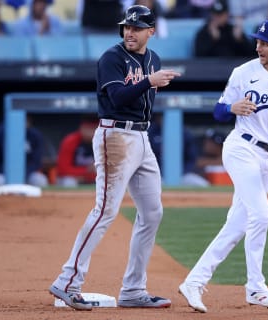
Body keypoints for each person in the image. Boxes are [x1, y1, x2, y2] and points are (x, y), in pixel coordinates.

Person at [178, 20, 268, 313]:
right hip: (241, 147)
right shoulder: (243, 73)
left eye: (265, 43)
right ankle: (255, 288)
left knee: (238, 224)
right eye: (257, 42)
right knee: (261, 214)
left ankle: (194, 280)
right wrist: (231, 108)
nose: (259, 47)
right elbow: (217, 112)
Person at [48, 4, 181, 311]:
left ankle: (134, 290)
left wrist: (151, 79)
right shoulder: (112, 57)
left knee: (152, 213)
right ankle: (67, 282)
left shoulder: (153, 59)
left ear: (151, 31)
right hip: (115, 136)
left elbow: (144, 104)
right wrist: (150, 81)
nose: (130, 32)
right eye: (127, 27)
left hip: (142, 138)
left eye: (136, 28)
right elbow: (118, 97)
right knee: (106, 210)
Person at [148, 113, 210, 187]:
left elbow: (192, 158)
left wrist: (182, 172)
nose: (162, 119)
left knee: (203, 185)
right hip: (156, 175)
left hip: (183, 175)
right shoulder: (150, 132)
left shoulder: (184, 133)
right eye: (161, 116)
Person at [0, 119, 49, 187]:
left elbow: (36, 161)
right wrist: (9, 174)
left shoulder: (34, 135)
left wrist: (24, 173)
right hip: (3, 175)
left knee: (40, 180)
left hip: (27, 174)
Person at [56, 117, 98, 188]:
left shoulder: (104, 142)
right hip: (74, 178)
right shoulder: (70, 141)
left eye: (93, 128)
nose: (90, 132)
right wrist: (86, 170)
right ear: (81, 128)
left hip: (95, 178)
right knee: (69, 182)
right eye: (87, 128)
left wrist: (90, 175)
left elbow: (110, 172)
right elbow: (63, 170)